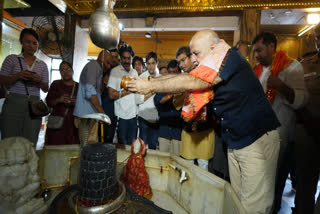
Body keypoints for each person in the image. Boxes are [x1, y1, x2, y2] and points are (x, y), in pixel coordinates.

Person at [127, 29, 281, 214]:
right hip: (238, 141)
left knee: (254, 208)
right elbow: (183, 77)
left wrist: (150, 86)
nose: (193, 59)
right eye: (191, 54)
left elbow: (193, 81)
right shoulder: (216, 58)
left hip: (256, 139)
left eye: (196, 54)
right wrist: (152, 82)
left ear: (213, 47)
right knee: (239, 203)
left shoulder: (227, 58)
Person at [252, 32, 306, 214]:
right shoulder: (258, 69)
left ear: (272, 47)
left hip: (281, 136)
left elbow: (301, 100)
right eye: (255, 52)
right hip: (259, 135)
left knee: (274, 184)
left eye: (259, 50)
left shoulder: (292, 67)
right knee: (261, 184)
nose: (256, 55)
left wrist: (281, 86)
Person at [0, 28, 49, 145]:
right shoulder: (12, 59)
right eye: (27, 42)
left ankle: (29, 163)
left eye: (34, 43)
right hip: (13, 102)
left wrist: (39, 80)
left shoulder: (42, 65)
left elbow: (46, 88)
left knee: (30, 140)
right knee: (9, 140)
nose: (31, 46)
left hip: (35, 104)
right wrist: (18, 75)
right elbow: (1, 80)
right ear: (21, 42)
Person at [294, 23, 320, 214]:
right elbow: (297, 99)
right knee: (305, 185)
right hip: (308, 134)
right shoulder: (305, 65)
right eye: (318, 37)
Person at [175, 46, 215, 171]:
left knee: (203, 167)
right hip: (188, 131)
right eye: (179, 62)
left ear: (191, 57)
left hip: (205, 129)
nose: (181, 65)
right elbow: (176, 104)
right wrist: (182, 90)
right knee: (188, 167)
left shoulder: (204, 73)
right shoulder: (181, 79)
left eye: (183, 60)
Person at [73, 50, 113, 144]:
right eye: (107, 63)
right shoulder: (93, 66)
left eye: (110, 65)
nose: (108, 66)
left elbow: (98, 92)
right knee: (85, 145)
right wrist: (101, 111)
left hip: (92, 112)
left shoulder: (98, 70)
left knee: (91, 144)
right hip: (86, 113)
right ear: (101, 58)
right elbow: (90, 92)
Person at [108, 45, 138, 145]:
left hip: (133, 116)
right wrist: (127, 91)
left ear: (132, 59)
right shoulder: (115, 72)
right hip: (121, 117)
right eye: (124, 58)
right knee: (122, 146)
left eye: (128, 58)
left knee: (132, 146)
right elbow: (111, 95)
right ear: (120, 58)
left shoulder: (135, 72)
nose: (126, 61)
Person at [45, 61, 79, 145]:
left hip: (73, 124)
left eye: (68, 69)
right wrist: (59, 100)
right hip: (57, 124)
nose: (65, 72)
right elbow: (49, 102)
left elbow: (84, 105)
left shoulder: (79, 86)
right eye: (62, 70)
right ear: (60, 72)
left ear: (72, 71)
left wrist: (75, 102)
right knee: (54, 147)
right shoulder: (55, 84)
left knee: (71, 149)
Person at [154, 62, 182, 155]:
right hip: (164, 131)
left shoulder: (184, 86)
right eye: (170, 72)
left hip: (177, 132)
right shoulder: (162, 86)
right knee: (162, 161)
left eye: (175, 72)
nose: (172, 75)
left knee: (176, 162)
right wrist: (172, 94)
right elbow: (158, 101)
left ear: (179, 73)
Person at [135, 52, 161, 150]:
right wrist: (152, 91)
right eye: (148, 64)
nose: (150, 66)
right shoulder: (141, 78)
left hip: (156, 118)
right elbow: (137, 100)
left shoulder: (161, 78)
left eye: (153, 63)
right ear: (146, 64)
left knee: (153, 146)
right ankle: (141, 165)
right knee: (142, 147)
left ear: (157, 63)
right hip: (143, 117)